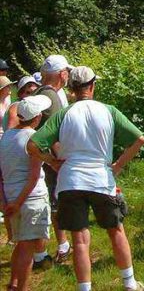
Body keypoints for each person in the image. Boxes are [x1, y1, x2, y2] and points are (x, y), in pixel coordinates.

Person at [27, 66, 144, 291]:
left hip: (70, 180)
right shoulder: (109, 111)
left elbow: (32, 145)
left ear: (72, 88)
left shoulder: (63, 115)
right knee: (116, 230)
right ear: (92, 86)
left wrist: (52, 162)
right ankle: (130, 283)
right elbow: (139, 139)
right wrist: (118, 166)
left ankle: (85, 288)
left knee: (80, 240)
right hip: (100, 178)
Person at [0, 96, 53, 291]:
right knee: (27, 248)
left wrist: (5, 201)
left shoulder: (5, 137)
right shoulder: (35, 139)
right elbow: (32, 177)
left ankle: (13, 284)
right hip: (31, 200)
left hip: (11, 196)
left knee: (21, 243)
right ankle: (22, 287)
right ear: (37, 117)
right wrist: (18, 202)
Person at [35, 54, 73, 264]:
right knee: (58, 201)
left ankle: (63, 243)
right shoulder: (51, 97)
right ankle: (63, 244)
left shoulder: (47, 93)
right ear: (61, 74)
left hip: (48, 158)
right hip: (54, 160)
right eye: (67, 71)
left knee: (56, 201)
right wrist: (62, 161)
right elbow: (54, 134)